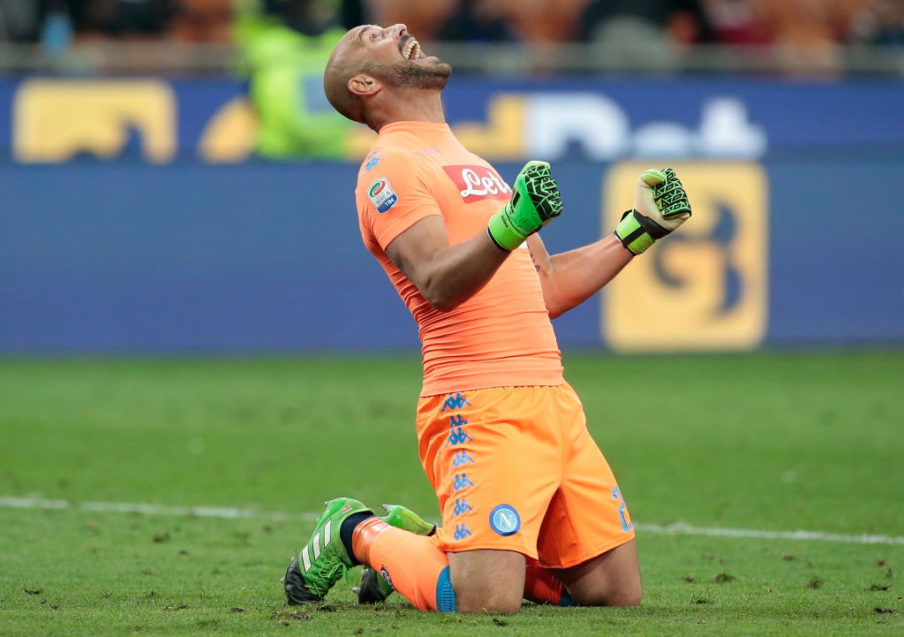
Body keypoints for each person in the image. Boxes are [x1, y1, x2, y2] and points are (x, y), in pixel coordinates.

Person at [282, 23, 692, 614]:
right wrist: (510, 225)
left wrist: (639, 229)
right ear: (365, 82)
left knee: (611, 593)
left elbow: (543, 290)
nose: (399, 26)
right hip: (477, 399)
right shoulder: (389, 165)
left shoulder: (472, 161)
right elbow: (435, 280)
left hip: (551, 397)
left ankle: (427, 545)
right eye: (373, 34)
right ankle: (357, 531)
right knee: (483, 601)